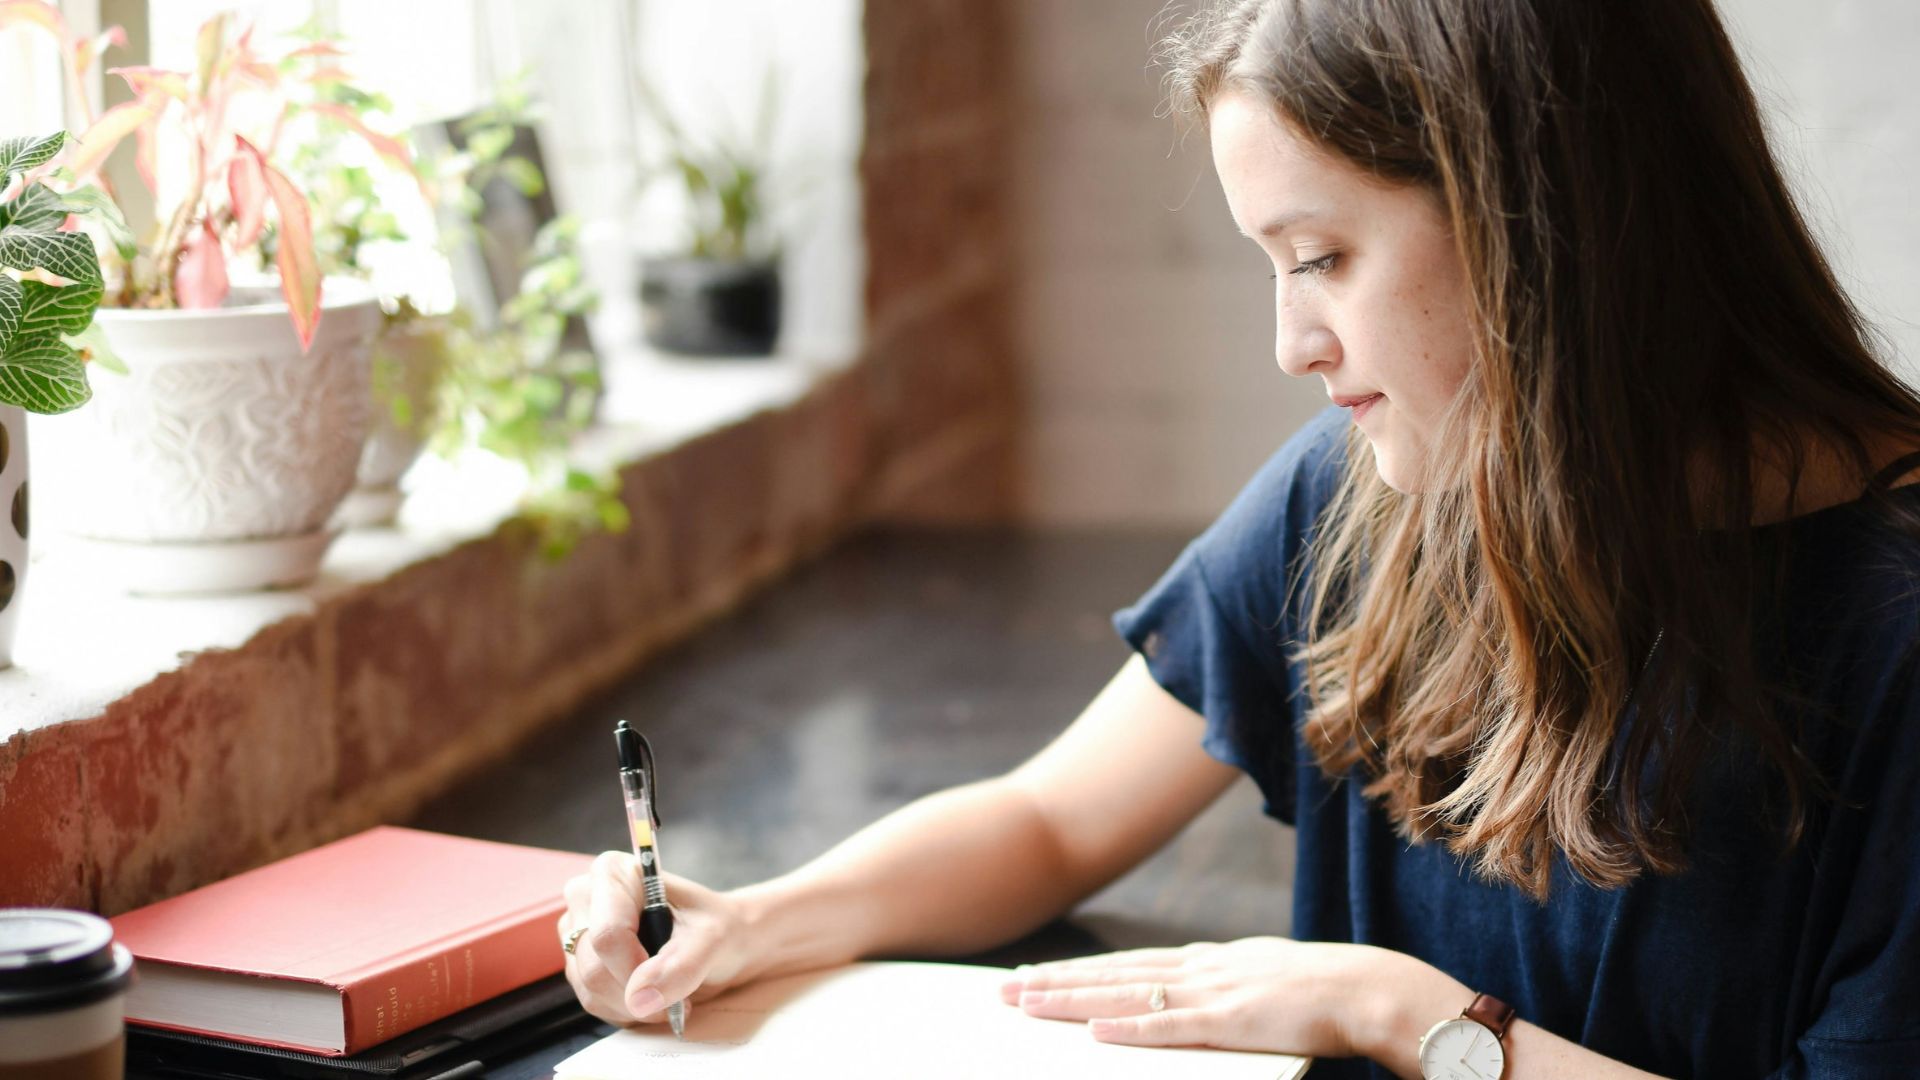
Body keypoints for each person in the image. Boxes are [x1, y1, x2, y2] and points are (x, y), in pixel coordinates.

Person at [560, 1, 1920, 1075]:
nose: (1291, 345)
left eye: (1321, 256)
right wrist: (753, 921)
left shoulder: (1895, 632)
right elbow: (1049, 818)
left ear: (1543, 226)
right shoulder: (1368, 492)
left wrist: (1412, 1019)